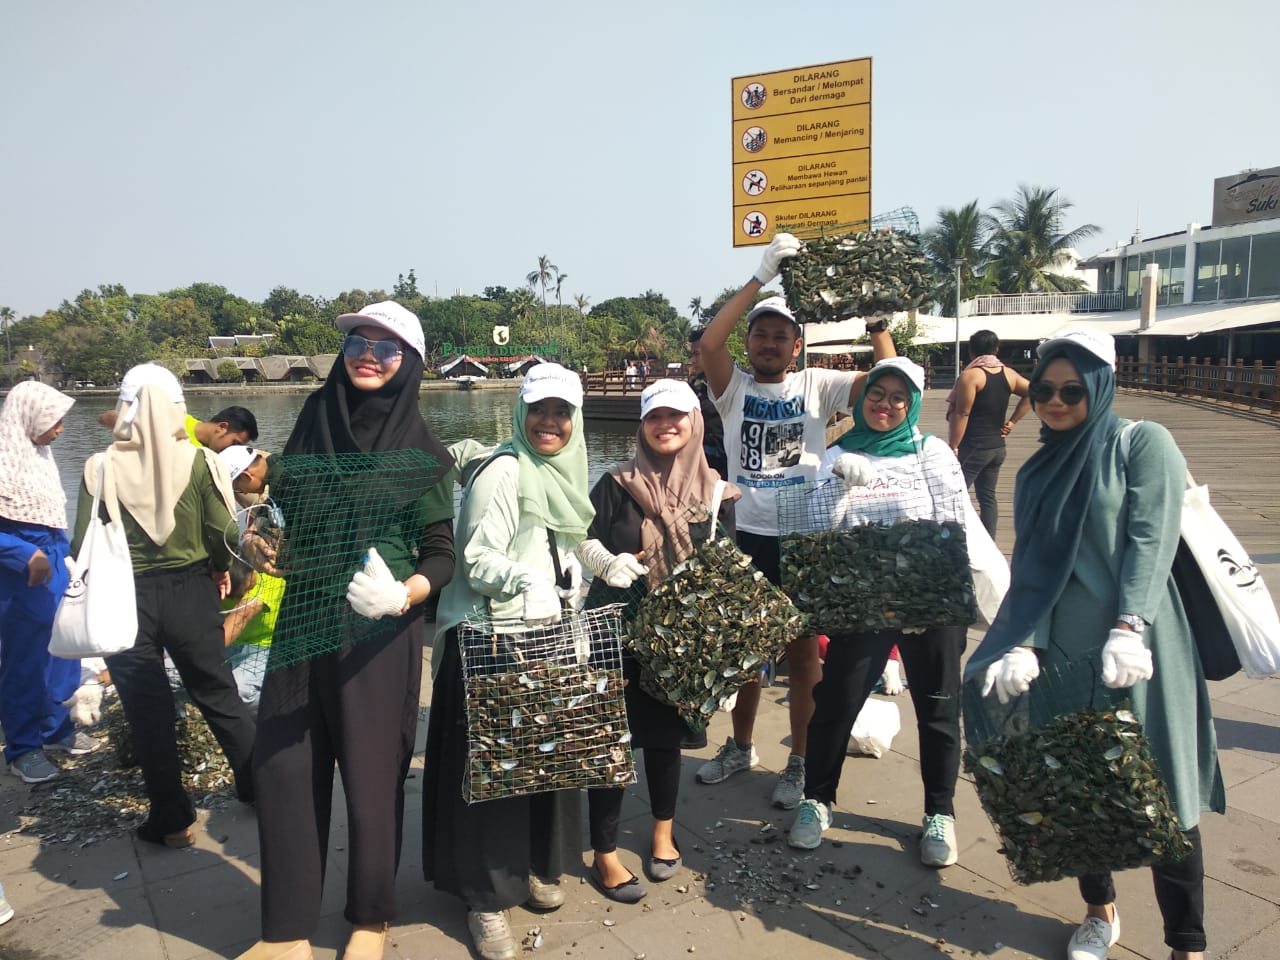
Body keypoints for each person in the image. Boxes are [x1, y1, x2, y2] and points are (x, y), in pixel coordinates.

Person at [968, 329, 1219, 960]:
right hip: (1063, 653)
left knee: (1166, 793)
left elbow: (1150, 537)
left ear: (1101, 385)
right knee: (1074, 785)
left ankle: (1186, 942)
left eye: (1072, 390)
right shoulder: (1036, 470)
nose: (1056, 402)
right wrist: (1024, 643)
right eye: (1045, 389)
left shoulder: (1140, 442)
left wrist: (1130, 624)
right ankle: (1099, 911)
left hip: (1139, 647)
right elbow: (1031, 569)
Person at [238, 301, 455, 960]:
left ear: (410, 366)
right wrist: (258, 538)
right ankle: (285, 931)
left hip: (378, 635)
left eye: (386, 348)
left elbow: (441, 552)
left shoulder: (424, 454)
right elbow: (278, 515)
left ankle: (370, 917)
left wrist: (404, 594)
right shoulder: (311, 424)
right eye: (359, 341)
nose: (367, 353)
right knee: (283, 770)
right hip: (303, 622)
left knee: (370, 776)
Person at [695, 232, 896, 810]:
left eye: (781, 335)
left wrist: (873, 315)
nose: (769, 343)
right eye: (760, 333)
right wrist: (760, 275)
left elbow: (891, 378)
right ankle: (740, 747)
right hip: (749, 535)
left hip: (805, 538)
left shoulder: (818, 385)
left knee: (805, 656)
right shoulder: (731, 391)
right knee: (746, 655)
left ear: (797, 344)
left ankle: (800, 762)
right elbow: (711, 341)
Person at [786, 358, 989, 869]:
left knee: (939, 709)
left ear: (912, 404)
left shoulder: (934, 453)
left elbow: (953, 521)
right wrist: (841, 484)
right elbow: (817, 527)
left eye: (899, 397)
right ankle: (817, 799)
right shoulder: (835, 453)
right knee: (837, 700)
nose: (886, 405)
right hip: (862, 604)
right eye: (878, 394)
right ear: (862, 398)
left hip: (930, 603)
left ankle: (939, 813)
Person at [423, 363, 592, 960]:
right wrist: (525, 580)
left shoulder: (561, 471)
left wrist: (602, 561)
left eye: (562, 412)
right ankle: (485, 898)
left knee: (543, 763)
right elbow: (476, 559)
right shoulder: (502, 470)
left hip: (547, 639)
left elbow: (566, 536)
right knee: (492, 773)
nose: (550, 422)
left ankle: (536, 865)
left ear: (575, 421)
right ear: (521, 412)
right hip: (492, 640)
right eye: (540, 410)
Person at [72, 363, 255, 847]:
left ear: (127, 408)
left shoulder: (100, 467)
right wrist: (220, 570)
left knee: (147, 712)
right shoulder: (198, 462)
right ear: (177, 409)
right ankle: (259, 787)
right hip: (191, 592)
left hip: (123, 600)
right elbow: (225, 534)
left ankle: (171, 821)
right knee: (218, 694)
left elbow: (79, 547)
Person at [580, 379, 739, 903]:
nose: (666, 425)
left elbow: (726, 570)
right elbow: (578, 541)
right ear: (642, 425)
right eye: (655, 417)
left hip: (680, 636)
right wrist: (603, 560)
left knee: (666, 739)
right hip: (616, 629)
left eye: (677, 416)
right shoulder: (614, 484)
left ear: (694, 422)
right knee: (610, 740)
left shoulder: (716, 492)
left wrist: (729, 658)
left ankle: (663, 833)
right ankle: (604, 851)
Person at [1, 381, 98, 785]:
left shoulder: (40, 457)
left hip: (55, 564)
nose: (59, 430)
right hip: (19, 578)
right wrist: (24, 554)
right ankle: (22, 748)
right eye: (53, 422)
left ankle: (57, 729)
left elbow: (54, 516)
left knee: (64, 652)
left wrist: (66, 559)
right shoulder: (4, 460)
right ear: (27, 418)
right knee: (25, 663)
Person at [946, 330, 1031, 537]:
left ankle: (957, 539)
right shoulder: (1009, 374)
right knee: (988, 498)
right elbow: (1034, 391)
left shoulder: (971, 376)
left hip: (974, 446)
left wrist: (953, 446)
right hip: (997, 448)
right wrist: (1012, 422)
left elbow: (963, 412)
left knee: (954, 495)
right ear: (997, 349)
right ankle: (989, 542)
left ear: (971, 350)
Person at [98, 404, 258, 453]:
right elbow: (105, 418)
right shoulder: (175, 421)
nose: (233, 450)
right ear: (222, 427)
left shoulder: (213, 457)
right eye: (235, 443)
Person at [686, 328, 727, 478]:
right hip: (703, 464)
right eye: (693, 355)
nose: (693, 360)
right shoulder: (696, 385)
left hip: (728, 462)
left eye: (697, 354)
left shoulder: (734, 385)